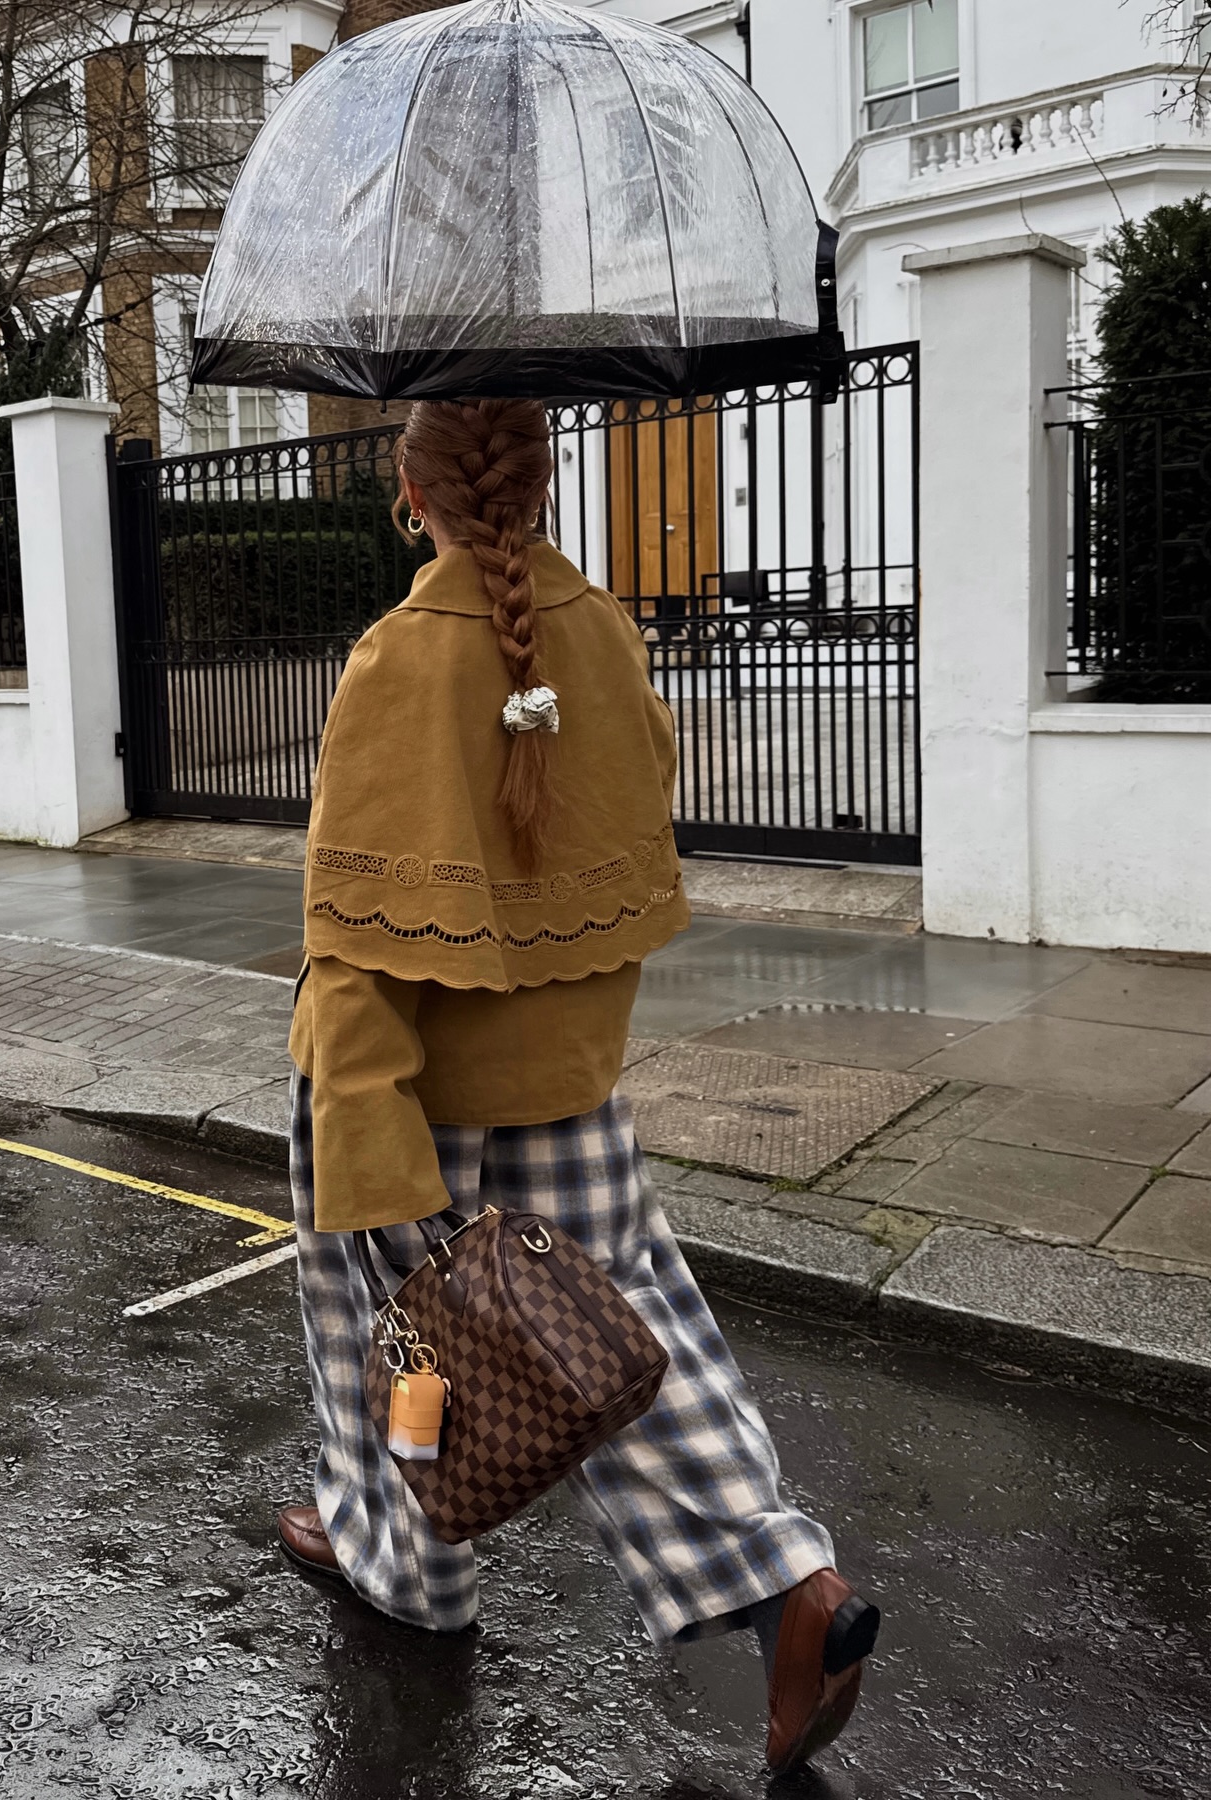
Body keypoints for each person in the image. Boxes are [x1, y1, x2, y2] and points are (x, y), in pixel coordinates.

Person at [280, 397, 879, 1775]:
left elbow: (358, 942)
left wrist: (366, 1142)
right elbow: (624, 841)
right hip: (570, 1087)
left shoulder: (396, 656)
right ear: (542, 488)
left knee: (397, 1347)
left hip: (408, 1096)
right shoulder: (605, 631)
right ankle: (787, 1580)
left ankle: (407, 1571)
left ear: (411, 493)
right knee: (629, 1347)